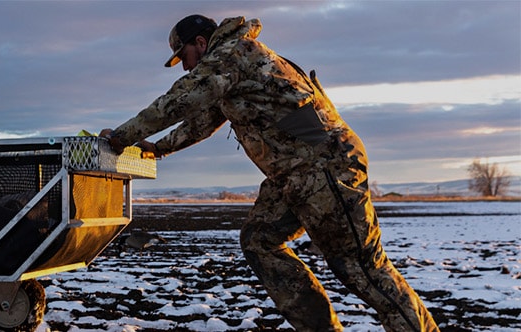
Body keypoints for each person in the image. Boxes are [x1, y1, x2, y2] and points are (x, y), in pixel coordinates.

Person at [100, 14, 439, 332]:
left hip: (324, 167)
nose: (185, 66)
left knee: (362, 268)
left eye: (184, 56)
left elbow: (182, 98)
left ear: (201, 43)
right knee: (259, 240)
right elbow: (202, 121)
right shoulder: (229, 70)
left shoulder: (234, 53)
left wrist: (121, 136)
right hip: (294, 174)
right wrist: (156, 147)